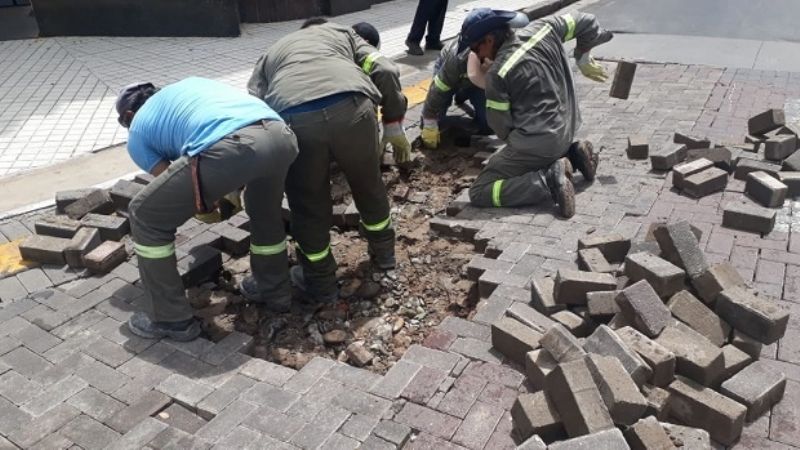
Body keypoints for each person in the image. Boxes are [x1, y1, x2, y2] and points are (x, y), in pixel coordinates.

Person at [116, 77, 298, 341]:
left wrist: (208, 206)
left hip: (230, 144)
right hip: (280, 135)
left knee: (146, 215)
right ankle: (273, 290)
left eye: (124, 122)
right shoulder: (190, 86)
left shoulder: (137, 134)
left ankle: (169, 318)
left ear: (130, 114)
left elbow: (176, 186)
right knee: (265, 212)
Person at [248, 19, 409, 303]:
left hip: (295, 118)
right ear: (324, 26)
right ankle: (385, 256)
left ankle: (321, 283)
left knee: (307, 205)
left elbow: (254, 104)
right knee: (368, 185)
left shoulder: (272, 53)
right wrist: (393, 123)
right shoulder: (342, 32)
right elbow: (384, 68)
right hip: (353, 111)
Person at [460, 9, 613, 218]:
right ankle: (574, 154)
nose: (479, 57)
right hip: (569, 126)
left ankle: (548, 181)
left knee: (480, 191)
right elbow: (587, 20)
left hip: (540, 143)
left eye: (476, 49)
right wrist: (583, 55)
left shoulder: (498, 74)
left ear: (488, 39)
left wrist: (520, 151)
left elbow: (500, 126)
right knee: (537, 149)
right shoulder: (543, 28)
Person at [420, 10, 529, 149]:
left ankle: (464, 96)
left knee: (488, 125)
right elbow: (438, 90)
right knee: (431, 122)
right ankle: (459, 99)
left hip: (476, 85)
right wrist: (429, 121)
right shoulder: (457, 59)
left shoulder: (507, 53)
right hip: (450, 76)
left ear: (490, 41)